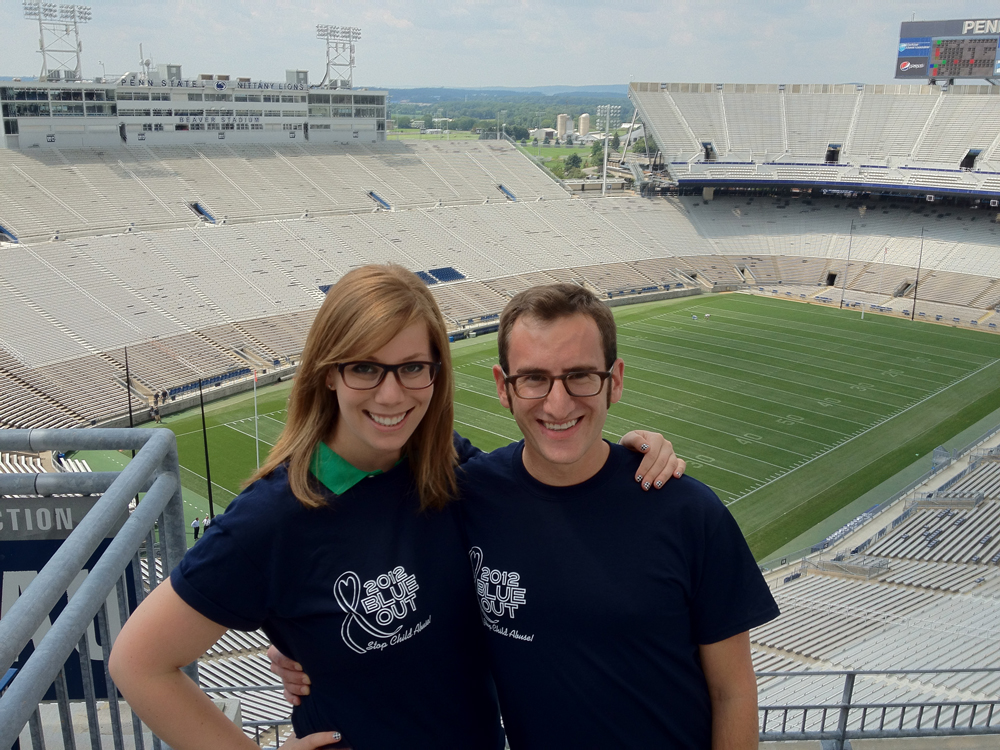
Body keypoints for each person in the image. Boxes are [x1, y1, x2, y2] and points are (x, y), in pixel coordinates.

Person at [109, 266, 683, 750]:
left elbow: (544, 483)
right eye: (365, 367)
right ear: (329, 372)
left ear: (437, 372)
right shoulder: (276, 515)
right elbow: (138, 663)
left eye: (413, 367)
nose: (392, 394)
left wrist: (625, 455)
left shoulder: (450, 467)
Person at [274, 283, 776, 749]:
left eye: (580, 376)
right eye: (534, 378)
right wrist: (305, 651)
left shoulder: (687, 510)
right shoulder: (466, 493)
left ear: (614, 381)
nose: (558, 404)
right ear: (503, 387)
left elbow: (733, 691)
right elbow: (361, 557)